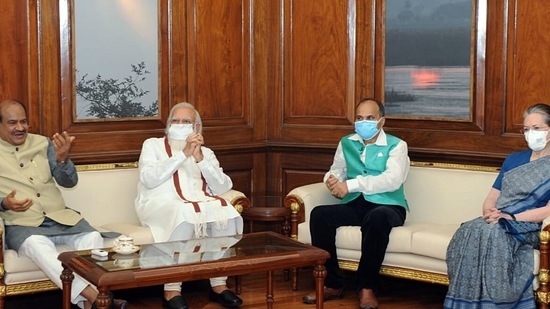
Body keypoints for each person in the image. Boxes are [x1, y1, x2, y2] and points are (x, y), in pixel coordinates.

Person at [0, 99, 127, 309]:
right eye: (12, 123)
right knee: (36, 246)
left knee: (93, 237)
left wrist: (62, 160)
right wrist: (4, 203)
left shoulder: (42, 143)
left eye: (24, 122)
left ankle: (90, 304)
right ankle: (95, 298)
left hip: (61, 218)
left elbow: (69, 181)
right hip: (24, 224)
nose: (20, 128)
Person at [302, 98, 410, 309]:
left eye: (370, 118)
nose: (364, 122)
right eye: (359, 118)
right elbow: (336, 170)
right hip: (356, 204)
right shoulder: (346, 142)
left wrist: (350, 185)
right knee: (320, 215)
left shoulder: (397, 145)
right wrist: (331, 181)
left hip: (389, 206)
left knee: (376, 217)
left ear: (381, 121)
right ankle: (333, 283)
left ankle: (366, 287)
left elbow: (392, 179)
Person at [135, 102, 244, 309]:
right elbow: (149, 179)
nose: (180, 124)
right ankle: (172, 289)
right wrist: (183, 154)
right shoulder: (153, 145)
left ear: (196, 127)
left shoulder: (206, 152)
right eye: (175, 120)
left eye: (186, 121)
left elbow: (222, 186)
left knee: (227, 213)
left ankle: (219, 284)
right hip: (158, 204)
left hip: (196, 203)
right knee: (184, 213)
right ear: (168, 125)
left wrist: (200, 158)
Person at [444, 103, 550, 308]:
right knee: (470, 229)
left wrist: (510, 218)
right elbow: (492, 196)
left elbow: (547, 210)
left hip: (530, 225)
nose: (530, 134)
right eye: (526, 129)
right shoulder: (513, 159)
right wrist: (489, 213)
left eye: (537, 128)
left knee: (495, 234)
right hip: (501, 218)